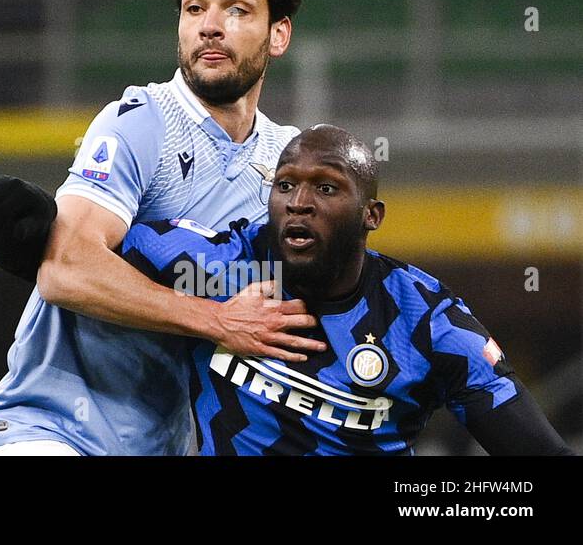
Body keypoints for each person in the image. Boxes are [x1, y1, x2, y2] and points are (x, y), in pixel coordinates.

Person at [0, 0, 324, 455]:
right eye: (194, 8)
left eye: (238, 9)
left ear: (279, 34)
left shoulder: (289, 160)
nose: (210, 27)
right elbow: (65, 268)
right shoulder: (140, 121)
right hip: (49, 432)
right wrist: (218, 320)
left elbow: (320, 300)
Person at [117, 125, 572, 454]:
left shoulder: (426, 320)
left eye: (327, 187)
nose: (299, 202)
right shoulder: (215, 269)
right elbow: (73, 248)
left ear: (370, 215)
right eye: (286, 184)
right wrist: (206, 318)